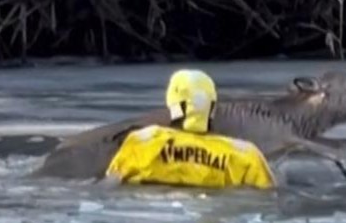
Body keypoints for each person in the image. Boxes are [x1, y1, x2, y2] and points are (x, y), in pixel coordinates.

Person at [104, 69, 277, 189]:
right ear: (212, 107)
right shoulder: (245, 154)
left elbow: (109, 186)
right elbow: (268, 196)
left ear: (173, 105)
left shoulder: (142, 142)